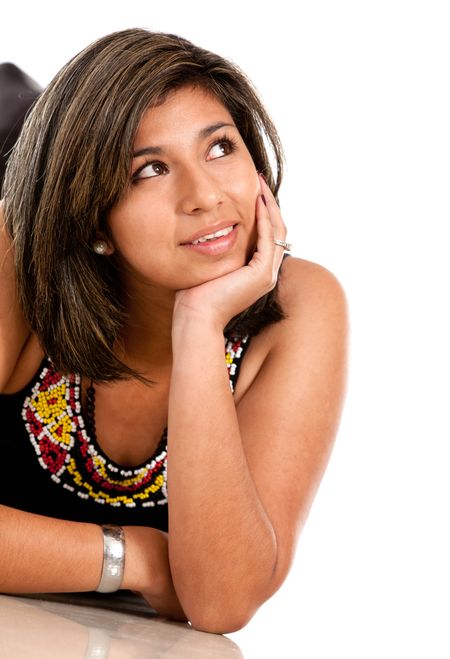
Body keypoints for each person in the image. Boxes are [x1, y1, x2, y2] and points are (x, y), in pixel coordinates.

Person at [0, 28, 348, 634]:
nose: (206, 196)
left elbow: (219, 602)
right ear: (91, 220)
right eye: (151, 169)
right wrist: (133, 558)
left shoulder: (300, 305)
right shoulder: (18, 257)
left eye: (220, 148)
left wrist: (199, 322)